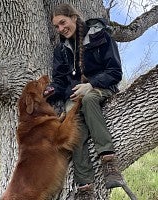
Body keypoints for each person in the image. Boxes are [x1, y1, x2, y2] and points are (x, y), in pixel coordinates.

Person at [44, 3, 124, 199]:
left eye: (63, 22)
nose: (61, 29)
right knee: (73, 126)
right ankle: (85, 187)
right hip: (75, 95)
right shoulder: (61, 50)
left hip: (102, 87)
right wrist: (50, 91)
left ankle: (109, 162)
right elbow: (61, 82)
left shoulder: (100, 35)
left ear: (73, 17)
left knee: (89, 98)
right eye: (57, 26)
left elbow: (115, 72)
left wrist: (92, 84)